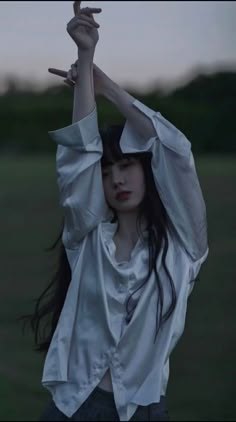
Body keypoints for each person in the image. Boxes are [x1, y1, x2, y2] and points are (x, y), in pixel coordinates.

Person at [28, 2, 209, 421]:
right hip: (72, 408)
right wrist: (85, 58)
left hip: (143, 411)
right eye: (107, 172)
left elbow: (174, 150)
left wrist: (104, 84)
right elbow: (79, 159)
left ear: (147, 172)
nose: (117, 180)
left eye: (126, 165)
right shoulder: (87, 239)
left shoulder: (184, 250)